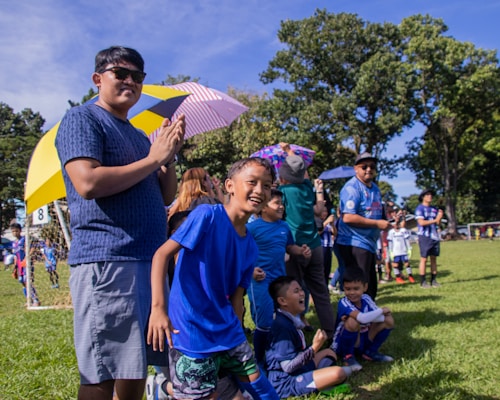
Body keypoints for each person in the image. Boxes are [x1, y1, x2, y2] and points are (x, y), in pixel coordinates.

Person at [55, 45, 185, 400]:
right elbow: (87, 182)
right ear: (98, 79)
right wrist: (152, 158)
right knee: (103, 370)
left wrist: (167, 157)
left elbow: (163, 195)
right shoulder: (82, 119)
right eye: (120, 73)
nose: (130, 81)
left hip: (147, 261)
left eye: (137, 76)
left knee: (136, 363)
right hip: (109, 260)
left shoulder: (138, 135)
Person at [147, 157, 279, 400]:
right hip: (189, 331)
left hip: (228, 331)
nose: (260, 190)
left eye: (267, 185)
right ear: (229, 185)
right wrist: (158, 309)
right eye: (252, 182)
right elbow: (161, 255)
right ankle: (163, 387)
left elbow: (237, 299)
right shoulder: (206, 216)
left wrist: (238, 334)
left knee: (262, 389)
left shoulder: (250, 246)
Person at [246, 188, 311, 366]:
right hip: (260, 282)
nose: (281, 206)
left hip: (280, 281)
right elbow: (239, 252)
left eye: (282, 203)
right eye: (277, 203)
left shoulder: (284, 226)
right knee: (265, 322)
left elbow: (290, 247)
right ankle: (259, 361)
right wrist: (250, 270)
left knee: (285, 318)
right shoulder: (252, 228)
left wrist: (301, 250)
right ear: (263, 207)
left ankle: (281, 353)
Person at [277, 143, 335, 339]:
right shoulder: (306, 189)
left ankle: (294, 330)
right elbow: (302, 171)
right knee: (320, 291)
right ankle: (330, 329)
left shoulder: (283, 194)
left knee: (292, 290)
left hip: (295, 248)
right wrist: (289, 152)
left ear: (283, 177)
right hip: (315, 246)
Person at [265, 276, 352, 398]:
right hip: (284, 381)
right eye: (296, 291)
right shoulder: (282, 326)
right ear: (283, 301)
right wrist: (314, 348)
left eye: (301, 290)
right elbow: (288, 367)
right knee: (339, 373)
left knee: (329, 353)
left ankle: (317, 379)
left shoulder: (289, 319)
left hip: (299, 368)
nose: (302, 293)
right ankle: (319, 385)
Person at [335, 152, 391, 300]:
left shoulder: (375, 189)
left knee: (370, 284)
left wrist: (388, 222)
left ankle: (369, 315)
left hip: (369, 244)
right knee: (359, 286)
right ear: (355, 169)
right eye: (364, 166)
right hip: (353, 243)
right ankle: (357, 318)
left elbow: (378, 213)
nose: (368, 169)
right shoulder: (351, 188)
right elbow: (347, 217)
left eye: (372, 166)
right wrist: (377, 223)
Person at [331, 267, 394, 371]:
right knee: (352, 321)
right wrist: (381, 311)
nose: (352, 292)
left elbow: (379, 318)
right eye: (348, 289)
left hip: (363, 337)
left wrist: (379, 314)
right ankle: (348, 356)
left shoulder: (366, 298)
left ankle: (370, 352)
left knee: (388, 320)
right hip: (343, 343)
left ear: (365, 287)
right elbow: (362, 318)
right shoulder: (343, 302)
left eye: (356, 289)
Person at [415, 189, 443, 288]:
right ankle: (423, 281)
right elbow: (421, 222)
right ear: (423, 197)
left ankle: (434, 280)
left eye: (431, 195)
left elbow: (438, 223)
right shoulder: (420, 208)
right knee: (424, 259)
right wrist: (435, 220)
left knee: (434, 258)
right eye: (427, 195)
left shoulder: (434, 209)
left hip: (434, 236)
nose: (430, 196)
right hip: (425, 236)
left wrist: (439, 217)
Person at [10, 222, 40, 306]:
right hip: (19, 266)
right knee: (22, 282)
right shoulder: (14, 243)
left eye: (16, 231)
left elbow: (33, 248)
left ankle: (36, 300)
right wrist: (15, 268)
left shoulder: (24, 239)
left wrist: (27, 258)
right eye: (13, 231)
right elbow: (15, 256)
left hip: (26, 264)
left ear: (20, 231)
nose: (15, 233)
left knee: (28, 281)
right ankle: (28, 300)